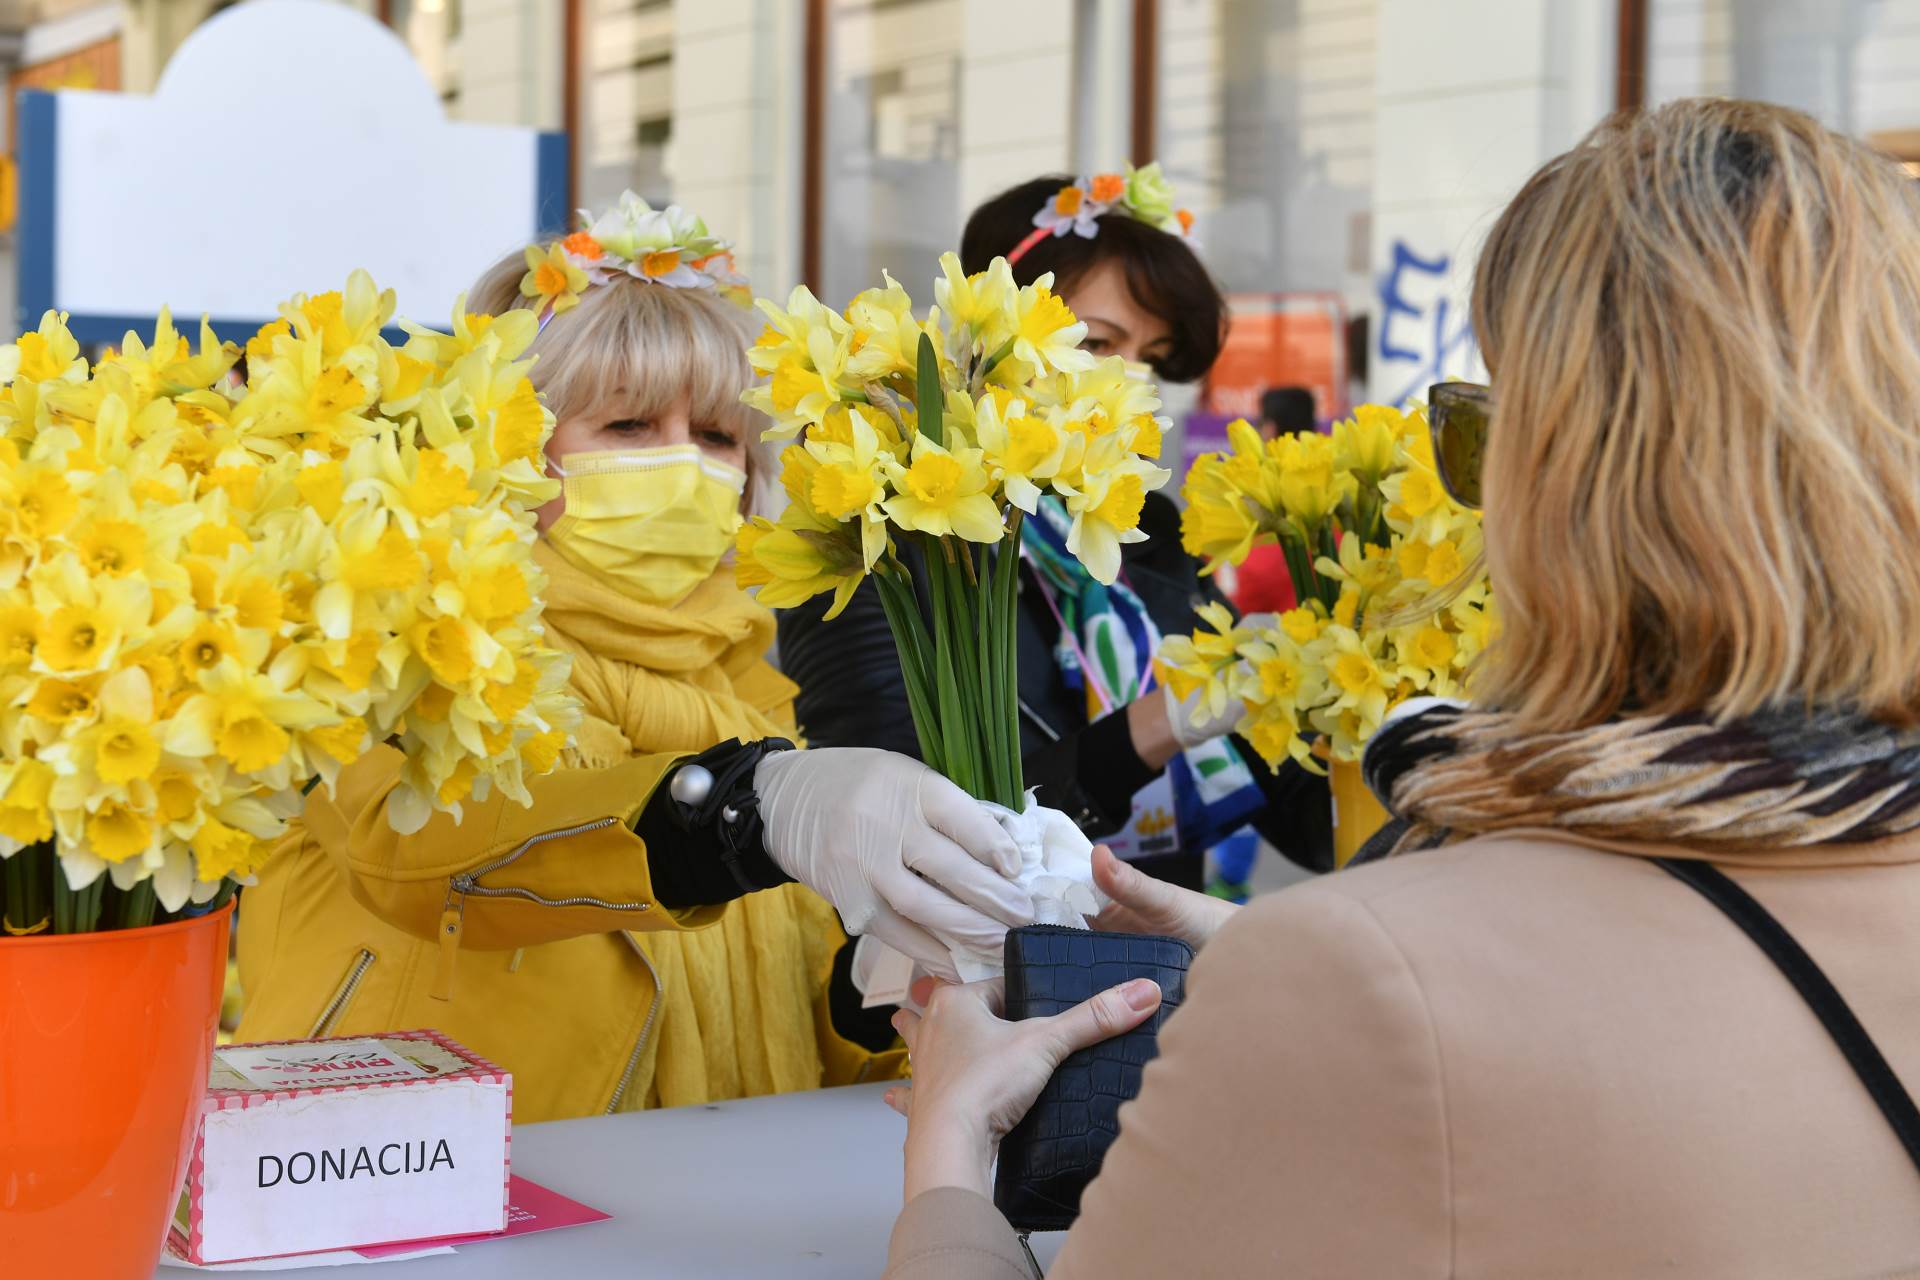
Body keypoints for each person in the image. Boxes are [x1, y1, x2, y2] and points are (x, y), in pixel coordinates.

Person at [881, 99, 1920, 1276]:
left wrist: (951, 1148)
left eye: (1477, 429)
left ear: (1554, 479)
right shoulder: (924, 561)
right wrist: (1260, 941)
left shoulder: (1373, 964)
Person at [236, 198, 1033, 1122]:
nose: (684, 465)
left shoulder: (740, 680)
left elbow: (788, 991)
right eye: (628, 427)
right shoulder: (389, 625)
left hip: (699, 1197)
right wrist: (736, 812)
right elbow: (423, 845)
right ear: (503, 445)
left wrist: (887, 981)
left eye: (716, 436)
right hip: (418, 1179)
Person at [779, 169, 1333, 889]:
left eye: (1153, 361)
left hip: (1159, 982)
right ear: (987, 338)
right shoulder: (886, 541)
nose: (1127, 381)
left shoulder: (1149, 537)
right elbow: (902, 840)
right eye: (1099, 345)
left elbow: (1312, 825)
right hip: (957, 990)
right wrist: (1157, 724)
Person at [1225, 386, 1318, 618]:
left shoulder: (1259, 483)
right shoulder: (1326, 470)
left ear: (1270, 427)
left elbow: (1254, 582)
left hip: (1275, 631)